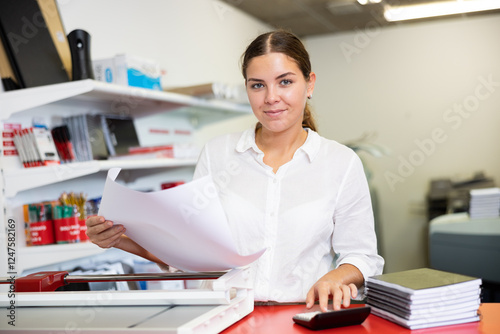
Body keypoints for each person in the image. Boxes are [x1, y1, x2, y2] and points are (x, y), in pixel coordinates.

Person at [86, 29, 384, 312]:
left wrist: (337, 277)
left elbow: (362, 256)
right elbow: (188, 252)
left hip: (300, 317)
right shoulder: (217, 154)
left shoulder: (340, 163)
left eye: (285, 82)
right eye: (258, 85)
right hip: (224, 316)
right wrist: (120, 239)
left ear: (310, 84)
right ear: (247, 89)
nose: (270, 97)